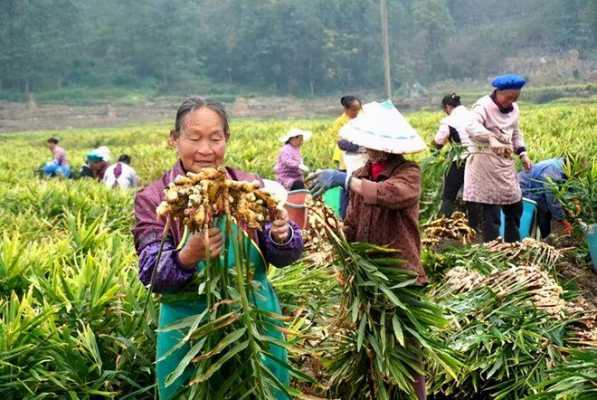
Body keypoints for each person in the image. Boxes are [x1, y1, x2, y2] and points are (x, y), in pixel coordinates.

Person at [132, 97, 304, 399]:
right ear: (174, 139)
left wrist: (282, 236)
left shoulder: (249, 186)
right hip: (188, 331)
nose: (205, 150)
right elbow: (150, 272)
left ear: (227, 139)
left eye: (215, 138)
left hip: (254, 323)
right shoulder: (155, 197)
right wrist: (187, 256)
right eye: (194, 138)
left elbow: (285, 254)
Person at [309, 101, 428, 399]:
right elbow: (352, 222)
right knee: (371, 344)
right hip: (366, 274)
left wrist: (348, 181)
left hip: (400, 275)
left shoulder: (408, 172)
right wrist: (333, 241)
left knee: (406, 348)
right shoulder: (363, 171)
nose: (369, 149)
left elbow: (389, 195)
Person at [464, 74, 533, 243]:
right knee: (491, 212)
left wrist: (523, 153)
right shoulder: (483, 106)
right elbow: (471, 126)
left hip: (505, 165)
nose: (511, 101)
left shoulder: (514, 108)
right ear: (498, 92)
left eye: (515, 98)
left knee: (515, 207)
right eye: (509, 97)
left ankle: (513, 245)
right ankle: (493, 250)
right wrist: (490, 138)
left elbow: (515, 133)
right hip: (485, 164)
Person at [433, 93, 475, 216]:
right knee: (474, 196)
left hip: (460, 160)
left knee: (448, 195)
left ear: (447, 107)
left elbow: (438, 142)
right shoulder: (472, 115)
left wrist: (433, 152)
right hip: (478, 160)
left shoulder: (449, 121)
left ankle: (443, 223)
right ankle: (474, 226)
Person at [518, 158, 573, 237]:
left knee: (544, 213)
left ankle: (543, 238)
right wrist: (563, 222)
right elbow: (552, 199)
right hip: (524, 189)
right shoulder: (553, 170)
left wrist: (574, 200)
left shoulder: (561, 166)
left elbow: (569, 185)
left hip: (533, 190)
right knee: (542, 213)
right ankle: (540, 240)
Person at [331, 95, 364, 218]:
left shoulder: (362, 119)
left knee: (359, 188)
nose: (356, 112)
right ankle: (343, 216)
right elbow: (341, 142)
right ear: (346, 109)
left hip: (361, 161)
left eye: (358, 109)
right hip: (346, 161)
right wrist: (359, 147)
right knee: (346, 187)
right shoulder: (340, 123)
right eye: (354, 109)